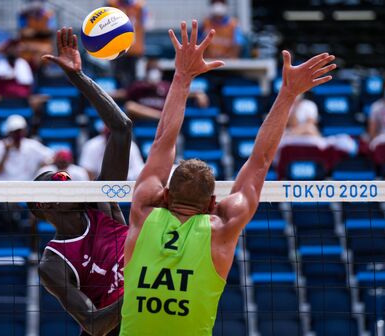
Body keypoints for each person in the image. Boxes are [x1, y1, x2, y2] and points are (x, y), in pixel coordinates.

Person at [120, 20, 336, 334]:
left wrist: (181, 76)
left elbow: (162, 141)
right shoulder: (221, 229)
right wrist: (288, 94)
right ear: (211, 202)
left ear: (165, 195)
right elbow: (259, 162)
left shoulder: (142, 211)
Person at [30, 27, 133, 336]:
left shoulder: (100, 203)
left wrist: (78, 77)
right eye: (61, 179)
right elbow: (93, 324)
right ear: (46, 203)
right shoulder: (53, 262)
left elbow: (122, 128)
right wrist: (138, 292)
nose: (70, 178)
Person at [0, 40, 45, 127]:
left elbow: (45, 49)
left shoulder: (28, 64)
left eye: (15, 48)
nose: (13, 51)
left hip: (24, 100)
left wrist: (25, 47)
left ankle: (32, 130)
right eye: (10, 48)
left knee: (40, 100)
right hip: (2, 99)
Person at [113, 59, 210, 120]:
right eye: (151, 69)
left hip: (163, 124)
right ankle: (159, 117)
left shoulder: (166, 86)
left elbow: (183, 93)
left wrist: (199, 94)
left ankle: (162, 117)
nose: (154, 72)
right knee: (130, 106)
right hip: (143, 120)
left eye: (156, 69)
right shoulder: (139, 86)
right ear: (146, 72)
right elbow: (123, 94)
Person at [0, 114, 53, 181]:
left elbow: (51, 156)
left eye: (20, 131)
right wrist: (6, 152)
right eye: (15, 132)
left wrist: (43, 164)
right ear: (9, 132)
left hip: (25, 186)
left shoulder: (32, 145)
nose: (18, 134)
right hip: (3, 186)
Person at [107, 0, 147, 87]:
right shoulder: (112, 5)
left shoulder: (138, 7)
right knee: (117, 78)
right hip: (117, 49)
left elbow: (144, 22)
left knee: (134, 80)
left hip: (134, 50)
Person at [79, 127, 145, 181]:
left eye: (115, 134)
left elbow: (138, 170)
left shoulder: (131, 146)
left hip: (124, 185)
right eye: (109, 134)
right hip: (98, 186)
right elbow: (88, 172)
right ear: (103, 133)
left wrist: (120, 180)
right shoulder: (92, 145)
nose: (112, 137)